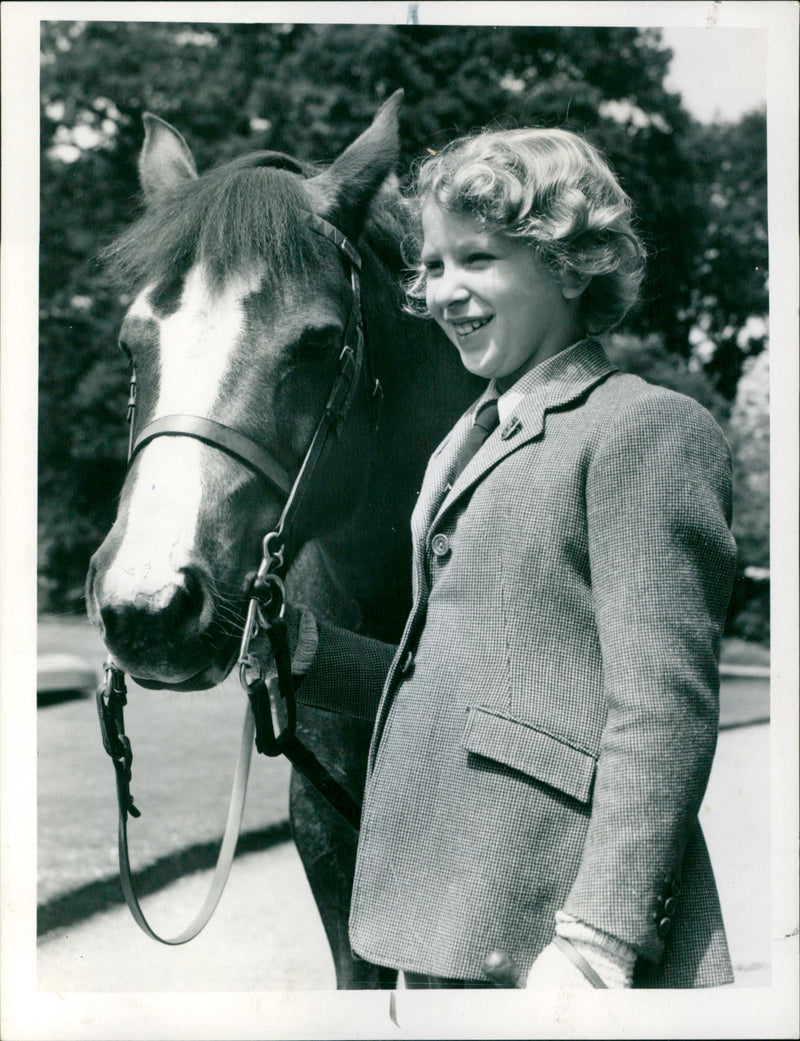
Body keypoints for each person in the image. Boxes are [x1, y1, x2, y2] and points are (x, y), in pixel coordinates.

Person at [290, 126, 737, 989]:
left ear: (570, 264)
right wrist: (306, 651)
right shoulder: (467, 440)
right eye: (431, 266)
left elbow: (662, 713)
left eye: (477, 259)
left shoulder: (643, 428)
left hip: (551, 935)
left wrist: (600, 937)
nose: (444, 291)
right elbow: (451, 682)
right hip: (447, 915)